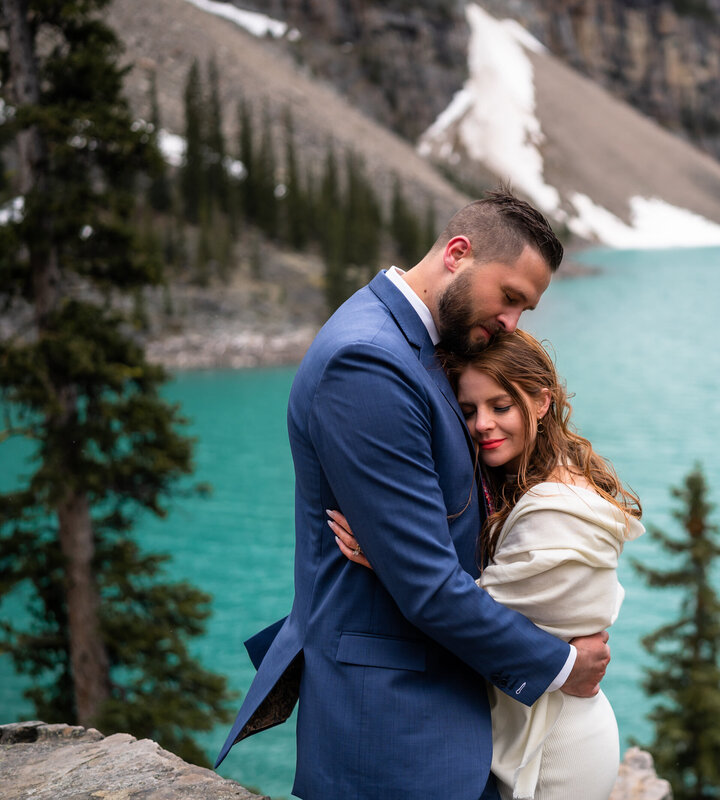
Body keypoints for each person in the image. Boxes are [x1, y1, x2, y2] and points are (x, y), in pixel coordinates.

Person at [214, 190, 612, 800]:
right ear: (458, 253)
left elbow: (431, 547)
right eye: (509, 298)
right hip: (393, 730)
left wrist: (402, 554)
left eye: (524, 311)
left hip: (434, 711)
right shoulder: (368, 361)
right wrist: (560, 665)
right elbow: (425, 585)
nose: (511, 324)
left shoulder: (420, 347)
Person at [329, 329, 644, 800]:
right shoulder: (518, 481)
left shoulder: (557, 504)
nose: (482, 425)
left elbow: (468, 614)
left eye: (501, 406)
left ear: (541, 402)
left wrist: (393, 556)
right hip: (530, 722)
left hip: (558, 741)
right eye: (469, 409)